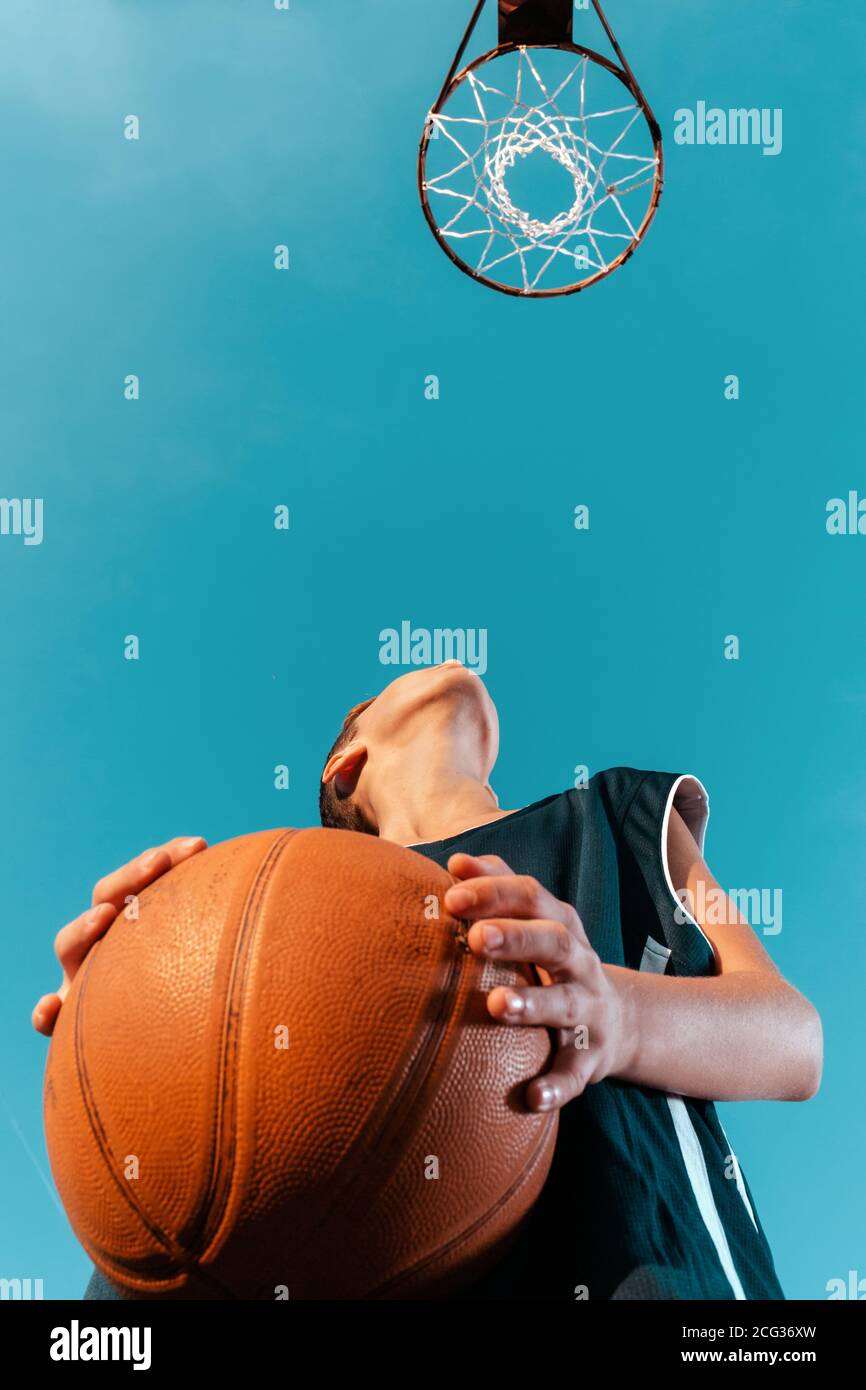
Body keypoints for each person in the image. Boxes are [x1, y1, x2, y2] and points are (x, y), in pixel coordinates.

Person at [34, 661, 822, 1300]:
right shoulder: (276, 931)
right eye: (376, 692)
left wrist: (622, 1016)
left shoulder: (612, 816)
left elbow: (795, 1041)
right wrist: (119, 1035)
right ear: (346, 764)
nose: (446, 663)